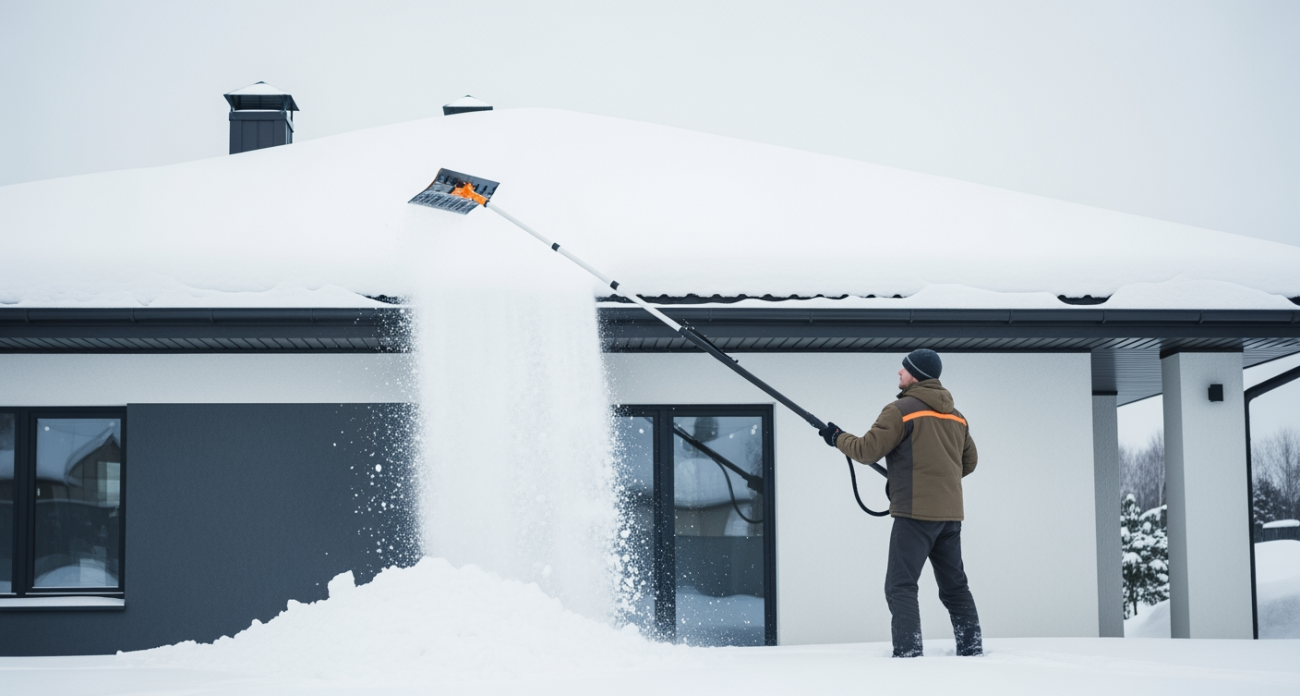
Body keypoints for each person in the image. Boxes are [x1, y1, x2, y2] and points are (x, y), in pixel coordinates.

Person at [818, 349, 982, 658]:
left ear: (916, 375)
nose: (898, 373)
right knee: (955, 587)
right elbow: (969, 462)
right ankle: (972, 649)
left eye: (903, 369)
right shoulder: (956, 416)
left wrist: (837, 437)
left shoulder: (901, 410)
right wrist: (937, 479)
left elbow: (866, 451)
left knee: (901, 586)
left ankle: (908, 656)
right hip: (949, 517)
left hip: (915, 515)